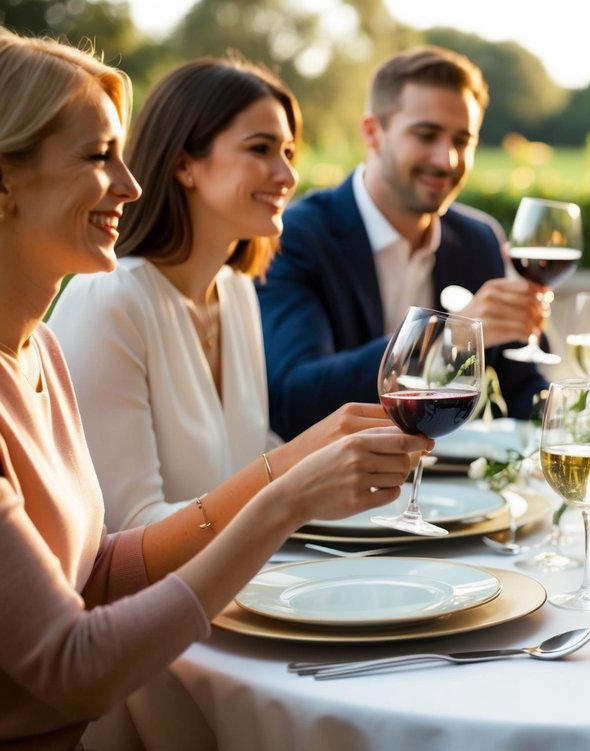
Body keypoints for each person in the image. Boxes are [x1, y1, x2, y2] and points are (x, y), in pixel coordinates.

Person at [0, 30, 430, 751]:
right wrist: (287, 495)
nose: (129, 185)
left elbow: (95, 572)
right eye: (98, 156)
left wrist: (306, 463)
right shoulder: (103, 307)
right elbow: (73, 666)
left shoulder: (37, 348)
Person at [48, 56, 398, 531]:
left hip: (245, 585)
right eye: (260, 149)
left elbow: (247, 463)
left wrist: (353, 461)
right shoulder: (109, 301)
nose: (287, 176)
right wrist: (299, 472)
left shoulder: (235, 292)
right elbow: (130, 532)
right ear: (184, 164)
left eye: (289, 153)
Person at [257, 45, 547, 441]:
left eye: (462, 140)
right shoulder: (298, 237)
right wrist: (442, 340)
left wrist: (589, 411)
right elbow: (295, 400)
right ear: (373, 133)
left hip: (462, 491)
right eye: (426, 135)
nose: (446, 159)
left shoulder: (480, 240)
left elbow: (522, 387)